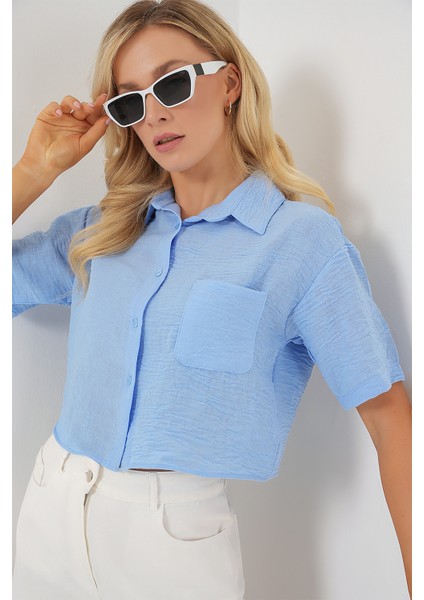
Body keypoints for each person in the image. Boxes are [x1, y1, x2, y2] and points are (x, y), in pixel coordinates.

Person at [12, 0, 412, 598]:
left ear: (229, 83)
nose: (154, 113)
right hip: (49, 509)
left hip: (171, 545)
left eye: (171, 83)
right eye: (130, 101)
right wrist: (32, 170)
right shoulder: (102, 231)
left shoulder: (298, 242)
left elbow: (388, 417)